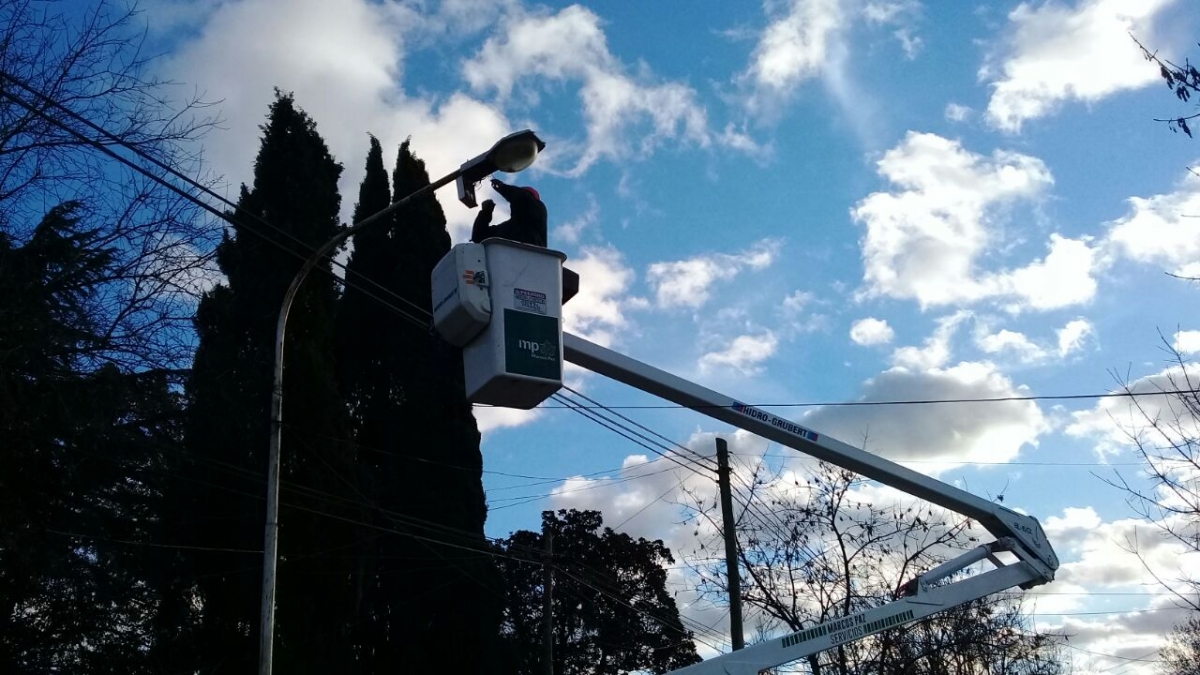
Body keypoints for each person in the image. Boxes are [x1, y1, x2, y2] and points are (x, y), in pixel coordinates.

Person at [470, 178, 547, 247]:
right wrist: (485, 213)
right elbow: (479, 237)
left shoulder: (538, 214)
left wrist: (502, 187)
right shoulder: (506, 229)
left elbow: (522, 198)